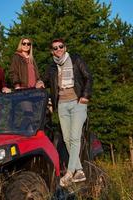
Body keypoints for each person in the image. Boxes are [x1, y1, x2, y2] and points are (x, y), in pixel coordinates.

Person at [45, 38, 93, 187]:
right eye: (55, 48)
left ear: (65, 47)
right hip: (62, 105)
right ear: (52, 51)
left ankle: (69, 172)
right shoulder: (52, 67)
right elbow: (45, 81)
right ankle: (79, 170)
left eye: (60, 46)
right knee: (66, 139)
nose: (58, 49)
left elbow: (88, 77)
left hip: (77, 103)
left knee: (74, 137)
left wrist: (85, 96)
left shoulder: (76, 59)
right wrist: (40, 82)